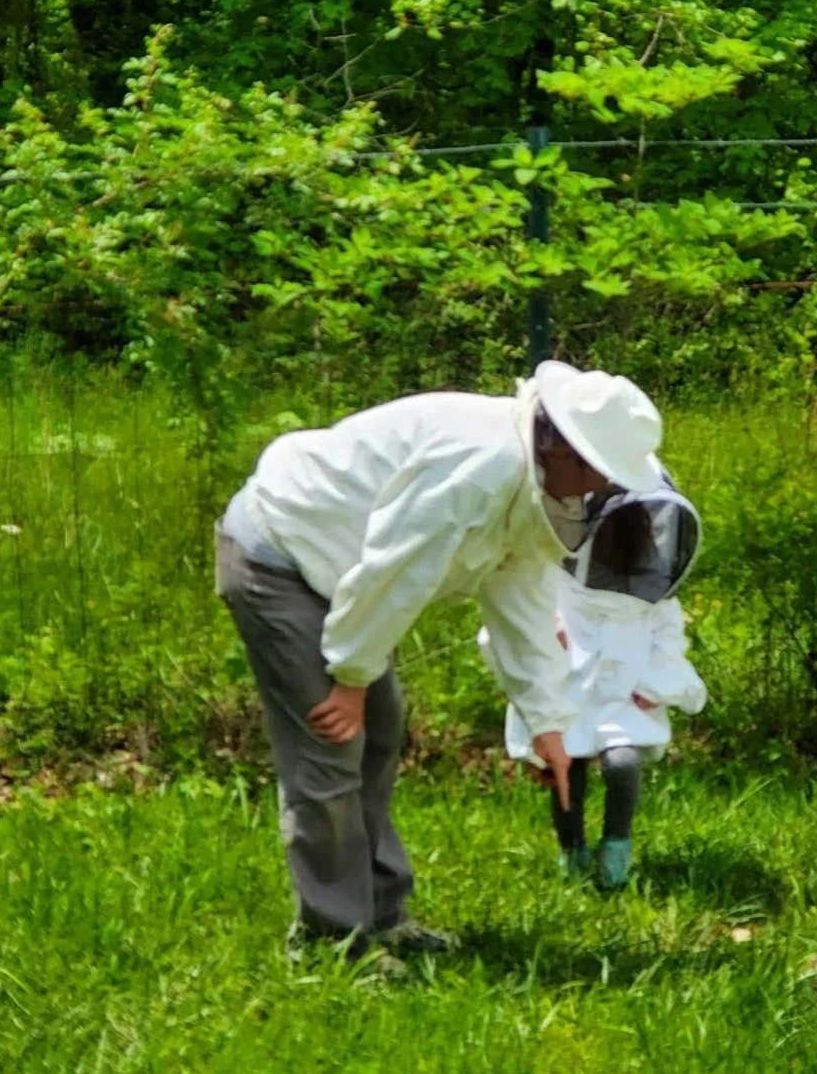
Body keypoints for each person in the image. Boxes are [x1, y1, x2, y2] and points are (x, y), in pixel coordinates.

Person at [213, 360, 664, 961]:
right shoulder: (479, 465)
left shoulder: (528, 477)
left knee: (378, 735)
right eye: (598, 473)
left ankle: (382, 917)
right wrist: (350, 677)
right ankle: (332, 943)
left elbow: (522, 598)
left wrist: (548, 723)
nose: (597, 490)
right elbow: (395, 571)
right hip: (281, 554)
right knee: (330, 749)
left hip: (340, 577)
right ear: (567, 451)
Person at [481, 474, 706, 889]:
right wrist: (545, 634)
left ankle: (617, 844)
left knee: (622, 763)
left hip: (622, 698)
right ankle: (572, 850)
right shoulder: (555, 581)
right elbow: (512, 624)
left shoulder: (654, 595)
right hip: (566, 696)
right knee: (568, 767)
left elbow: (668, 645)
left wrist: (656, 686)